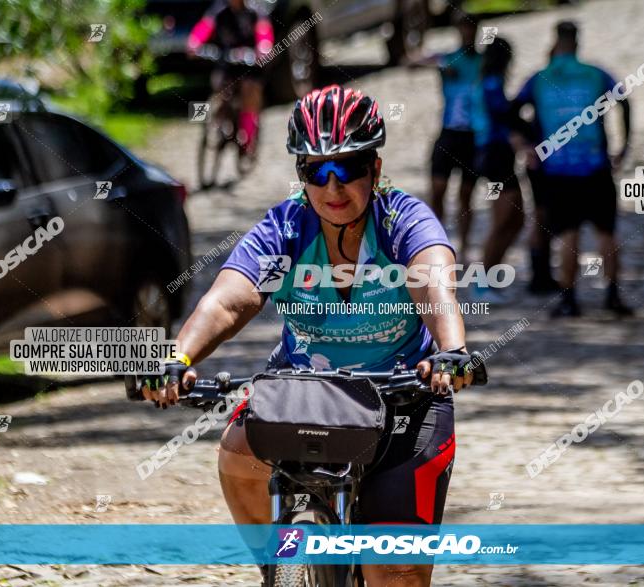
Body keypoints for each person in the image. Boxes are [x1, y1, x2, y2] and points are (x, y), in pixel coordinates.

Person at [140, 85, 484, 587]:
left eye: (347, 167)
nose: (332, 186)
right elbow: (229, 299)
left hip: (406, 395)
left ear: (376, 169)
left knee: (395, 569)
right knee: (237, 451)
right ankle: (280, 570)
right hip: (305, 389)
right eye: (314, 170)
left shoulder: (401, 218)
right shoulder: (285, 226)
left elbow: (433, 282)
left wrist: (453, 352)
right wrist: (178, 356)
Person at [511, 21, 633, 317]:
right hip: (595, 165)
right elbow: (625, 101)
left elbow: (511, 110)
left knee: (568, 234)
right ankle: (613, 296)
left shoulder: (540, 78)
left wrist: (525, 146)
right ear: (578, 42)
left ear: (556, 42)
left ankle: (569, 300)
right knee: (607, 232)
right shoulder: (595, 73)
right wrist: (624, 145)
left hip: (558, 169)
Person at [415, 12, 483, 256]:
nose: (466, 34)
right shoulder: (448, 59)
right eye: (462, 29)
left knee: (466, 195)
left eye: (470, 29)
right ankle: (434, 241)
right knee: (437, 190)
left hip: (473, 135)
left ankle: (464, 247)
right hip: (448, 133)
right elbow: (411, 61)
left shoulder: (483, 62)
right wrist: (437, 63)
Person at [469, 36, 524, 303]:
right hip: (495, 156)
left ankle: (489, 279)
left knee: (517, 219)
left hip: (498, 155)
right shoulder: (491, 83)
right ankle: (482, 282)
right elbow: (504, 114)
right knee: (503, 220)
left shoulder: (489, 81)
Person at [187, 0, 275, 157]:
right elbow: (204, 27)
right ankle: (217, 120)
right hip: (227, 63)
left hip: (249, 65)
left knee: (250, 92)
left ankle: (247, 137)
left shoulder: (255, 11)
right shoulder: (219, 10)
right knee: (218, 85)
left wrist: (263, 48)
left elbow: (264, 32)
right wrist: (194, 43)